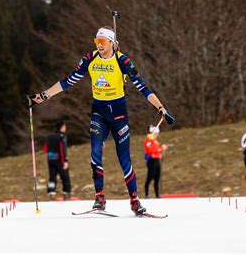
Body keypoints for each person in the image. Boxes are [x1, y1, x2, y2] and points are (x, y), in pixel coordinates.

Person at [27, 26, 175, 215]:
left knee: (124, 160)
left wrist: (161, 107)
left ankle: (135, 200)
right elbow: (68, 81)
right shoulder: (90, 58)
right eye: (97, 42)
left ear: (112, 43)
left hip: (119, 114)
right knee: (95, 152)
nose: (99, 46)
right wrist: (43, 96)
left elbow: (143, 87)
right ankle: (99, 198)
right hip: (99, 112)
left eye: (103, 42)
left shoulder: (122, 61)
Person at [43, 120, 71, 201]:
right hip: (60, 160)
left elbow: (45, 149)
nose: (65, 128)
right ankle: (66, 194)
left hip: (51, 160)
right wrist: (65, 161)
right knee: (65, 178)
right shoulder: (62, 136)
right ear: (62, 127)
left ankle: (51, 193)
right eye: (64, 126)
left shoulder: (49, 136)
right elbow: (63, 149)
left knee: (52, 178)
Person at [144, 124, 168, 198]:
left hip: (157, 160)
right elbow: (152, 151)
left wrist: (161, 153)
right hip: (152, 161)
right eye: (156, 133)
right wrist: (161, 149)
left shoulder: (155, 141)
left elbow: (157, 151)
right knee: (150, 177)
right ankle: (147, 195)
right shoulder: (148, 140)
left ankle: (157, 195)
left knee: (157, 178)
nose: (157, 135)